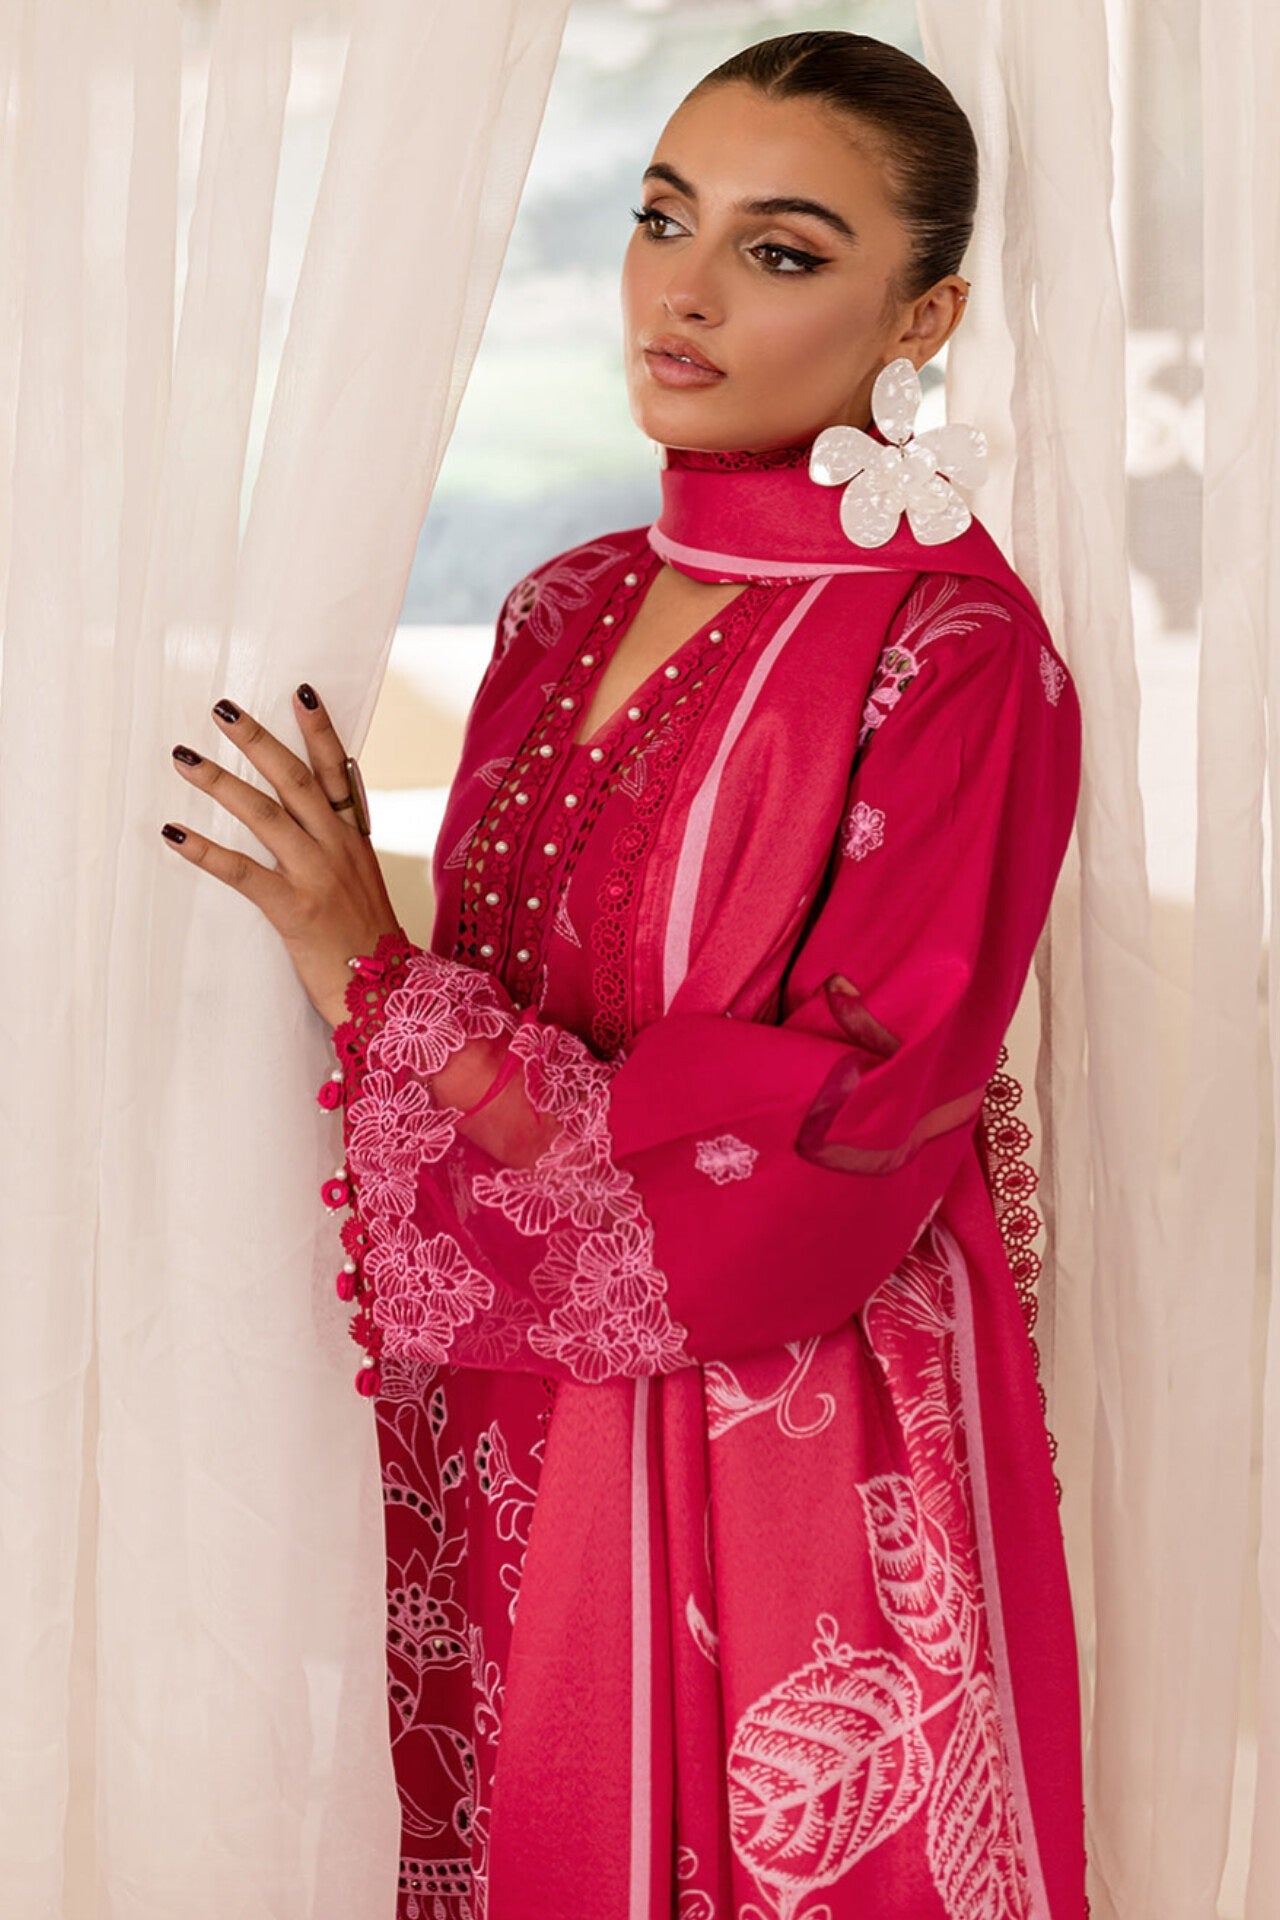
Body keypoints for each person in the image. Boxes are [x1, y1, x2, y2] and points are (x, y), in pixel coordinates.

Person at [162, 30, 1085, 1920]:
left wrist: (372, 977)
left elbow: (844, 1126)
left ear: (926, 314)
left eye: (781, 249)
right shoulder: (561, 603)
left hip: (785, 1423)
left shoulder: (956, 652)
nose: (685, 288)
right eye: (667, 219)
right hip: (522, 1397)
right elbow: (529, 999)